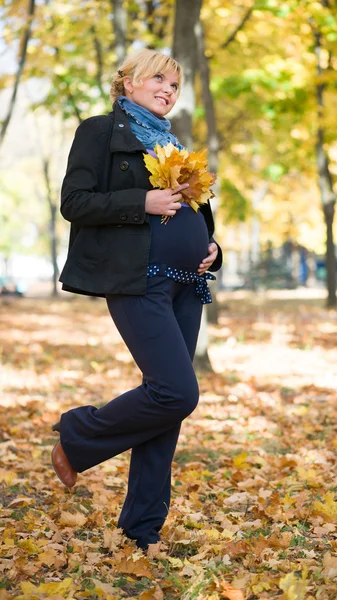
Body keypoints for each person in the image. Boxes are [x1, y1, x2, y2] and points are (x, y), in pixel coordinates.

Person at [51, 48, 222, 551]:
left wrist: (213, 248)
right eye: (159, 80)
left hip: (186, 283)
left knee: (165, 410)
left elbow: (198, 216)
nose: (169, 90)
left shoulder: (173, 144)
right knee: (176, 393)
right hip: (137, 279)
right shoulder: (100, 130)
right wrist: (140, 201)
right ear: (128, 82)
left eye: (175, 85)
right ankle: (78, 435)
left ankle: (141, 530)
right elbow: (74, 202)